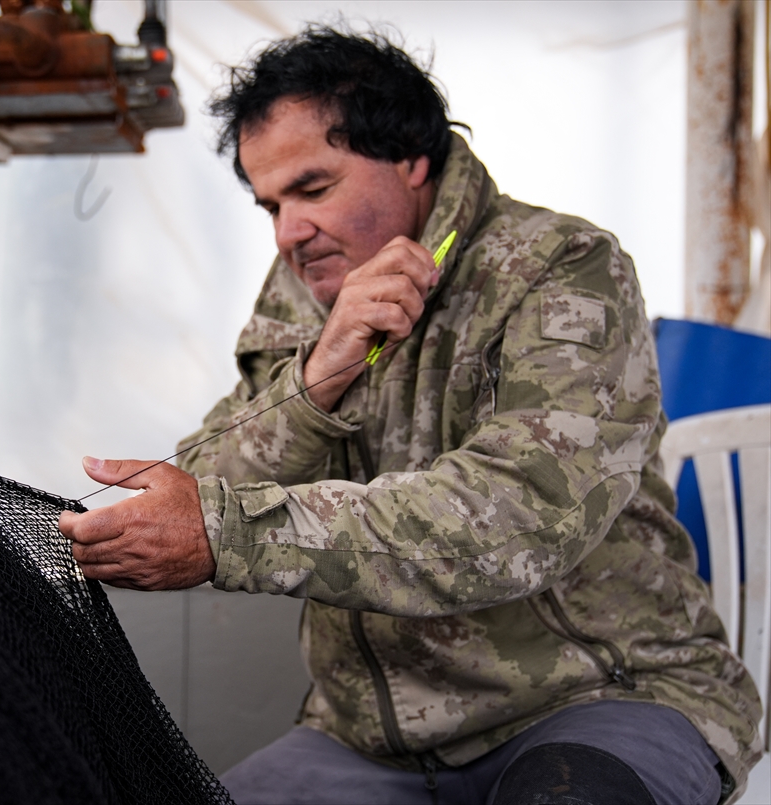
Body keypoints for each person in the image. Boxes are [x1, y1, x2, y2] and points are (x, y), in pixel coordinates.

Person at [57, 25, 762, 805]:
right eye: (271, 205)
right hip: (375, 742)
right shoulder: (302, 291)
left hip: (599, 698)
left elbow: (524, 514)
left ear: (410, 158)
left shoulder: (561, 268)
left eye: (313, 189)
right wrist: (316, 381)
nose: (288, 232)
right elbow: (200, 489)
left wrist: (233, 534)